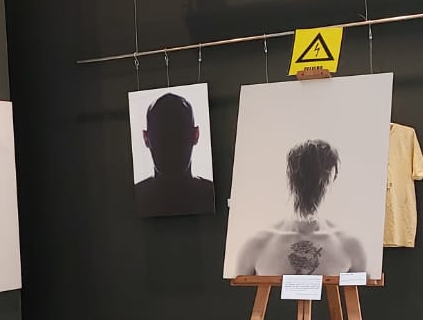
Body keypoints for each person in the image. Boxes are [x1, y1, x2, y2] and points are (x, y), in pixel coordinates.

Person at [231, 138, 368, 275]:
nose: (313, 183)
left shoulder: (350, 246)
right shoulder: (256, 245)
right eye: (307, 175)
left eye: (320, 176)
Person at [134, 92, 216, 217]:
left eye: (178, 133)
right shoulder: (211, 194)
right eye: (162, 135)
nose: (171, 145)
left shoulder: (136, 197)